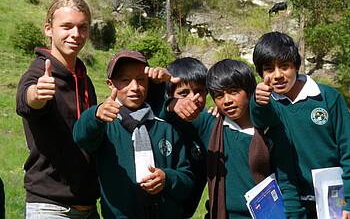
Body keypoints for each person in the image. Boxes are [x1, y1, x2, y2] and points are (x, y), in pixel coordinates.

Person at [161, 59, 305, 218]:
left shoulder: (270, 129)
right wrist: (172, 105)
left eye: (234, 91)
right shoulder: (210, 124)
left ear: (250, 92)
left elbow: (288, 185)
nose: (227, 100)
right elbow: (162, 118)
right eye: (219, 95)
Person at [73, 50, 194, 219]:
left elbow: (187, 181)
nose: (134, 87)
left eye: (140, 80)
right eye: (125, 80)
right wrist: (96, 114)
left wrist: (167, 178)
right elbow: (80, 135)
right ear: (110, 84)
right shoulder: (105, 126)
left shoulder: (165, 127)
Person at [16, 0, 100, 218]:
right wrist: (37, 94)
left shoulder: (84, 79)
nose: (76, 34)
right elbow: (27, 101)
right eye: (67, 26)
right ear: (48, 29)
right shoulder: (38, 73)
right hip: (50, 207)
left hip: (89, 206)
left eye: (82, 27)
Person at [249, 31, 350, 219]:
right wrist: (258, 102)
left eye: (285, 66)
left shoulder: (328, 97)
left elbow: (348, 151)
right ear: (261, 73)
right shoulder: (269, 104)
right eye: (269, 69)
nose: (277, 75)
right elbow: (261, 118)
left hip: (336, 203)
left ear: (297, 65)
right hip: (293, 204)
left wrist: (349, 201)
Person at [163, 57, 208, 218]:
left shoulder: (208, 125)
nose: (193, 99)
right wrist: (170, 105)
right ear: (169, 95)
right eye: (183, 93)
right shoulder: (161, 121)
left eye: (199, 91)